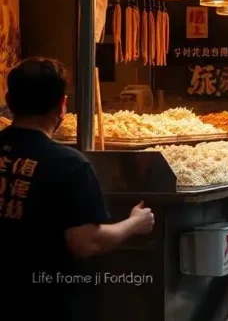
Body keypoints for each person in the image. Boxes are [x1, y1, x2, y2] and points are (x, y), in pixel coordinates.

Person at [0, 58, 156, 317]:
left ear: (9, 99)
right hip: (44, 301)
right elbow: (86, 243)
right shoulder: (68, 164)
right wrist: (135, 223)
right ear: (62, 105)